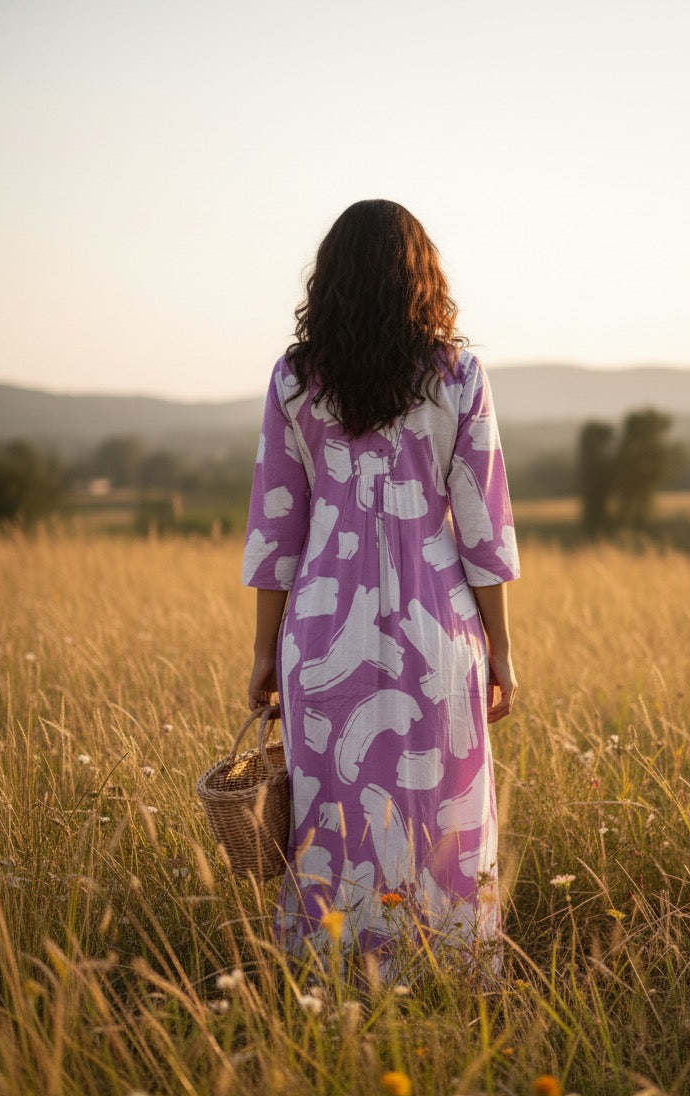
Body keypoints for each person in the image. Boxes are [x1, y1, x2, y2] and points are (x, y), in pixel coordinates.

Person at [242, 199, 520, 989]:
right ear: (419, 278)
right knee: (445, 813)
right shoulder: (458, 377)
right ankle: (450, 975)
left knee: (328, 817)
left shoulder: (294, 380)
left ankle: (329, 981)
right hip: (437, 625)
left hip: (323, 630)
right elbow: (483, 530)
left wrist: (264, 647)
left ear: (328, 281)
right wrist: (500, 646)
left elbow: (276, 528)